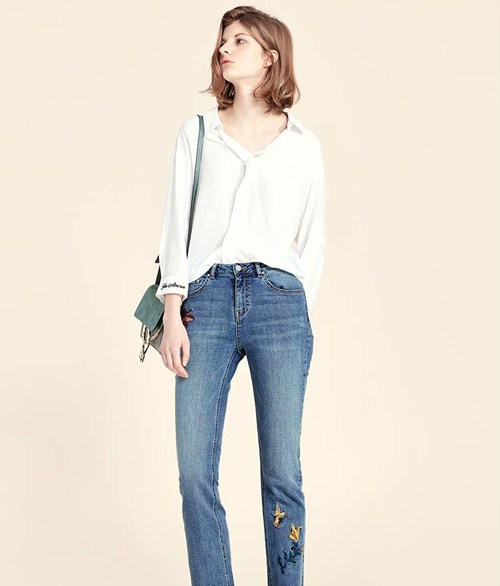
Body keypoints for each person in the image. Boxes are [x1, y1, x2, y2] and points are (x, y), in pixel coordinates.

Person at [155, 7, 327, 586]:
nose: (224, 49)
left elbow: (312, 241)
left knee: (283, 474)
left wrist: (299, 307)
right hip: (203, 303)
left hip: (280, 304)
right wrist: (172, 312)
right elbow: (175, 229)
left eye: (240, 40)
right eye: (223, 41)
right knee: (194, 475)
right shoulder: (197, 134)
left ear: (270, 57)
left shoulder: (302, 145)